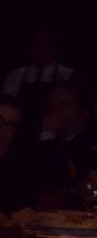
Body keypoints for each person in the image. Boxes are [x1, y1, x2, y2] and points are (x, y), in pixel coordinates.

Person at [31, 79, 96, 207]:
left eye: (63, 104)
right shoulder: (34, 139)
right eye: (52, 105)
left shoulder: (90, 145)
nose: (55, 110)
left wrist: (48, 135)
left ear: (83, 113)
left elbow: (58, 181)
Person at [2, 28, 73, 128]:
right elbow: (5, 106)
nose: (40, 48)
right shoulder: (16, 76)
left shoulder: (68, 75)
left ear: (56, 48)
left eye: (46, 44)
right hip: (22, 131)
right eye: (36, 44)